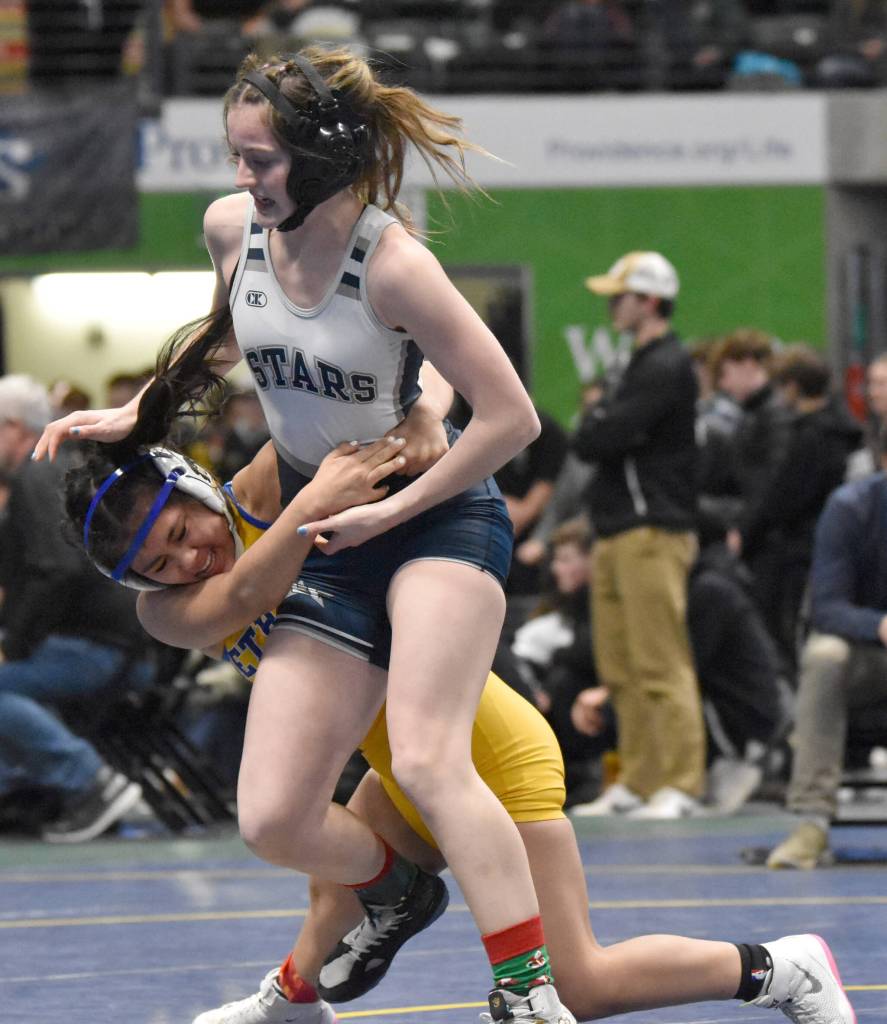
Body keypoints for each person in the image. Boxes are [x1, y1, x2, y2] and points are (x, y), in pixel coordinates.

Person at [37, 45, 571, 1024]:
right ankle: (391, 893)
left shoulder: (394, 261)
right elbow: (235, 329)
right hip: (338, 526)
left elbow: (512, 421)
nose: (242, 177)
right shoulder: (230, 228)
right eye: (236, 156)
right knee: (271, 812)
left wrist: (393, 498)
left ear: (322, 158)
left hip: (436, 515)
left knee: (420, 755)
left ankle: (525, 993)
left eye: (261, 160)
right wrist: (142, 414)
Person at [62, 433, 857, 1024]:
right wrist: (311, 506)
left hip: (484, 754)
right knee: (318, 859)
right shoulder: (170, 612)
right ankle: (296, 1000)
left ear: (195, 485)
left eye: (180, 533)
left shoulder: (266, 482)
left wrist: (429, 408)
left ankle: (779, 969)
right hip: (398, 757)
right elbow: (237, 598)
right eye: (156, 566)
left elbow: (362, 376)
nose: (188, 562)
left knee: (577, 984)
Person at [568, 251, 706, 820]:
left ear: (648, 301)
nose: (611, 306)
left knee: (660, 660)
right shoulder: (635, 363)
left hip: (653, 529)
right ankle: (641, 779)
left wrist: (600, 420)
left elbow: (602, 436)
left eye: (619, 296)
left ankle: (681, 781)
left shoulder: (665, 365)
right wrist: (598, 421)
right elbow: (594, 432)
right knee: (621, 665)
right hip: (618, 530)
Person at [0, 375, 154, 843]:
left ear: (15, 427)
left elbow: (57, 571)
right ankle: (21, 791)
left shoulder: (36, 470)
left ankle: (92, 782)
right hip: (115, 640)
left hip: (101, 647)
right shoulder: (52, 468)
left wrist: (12, 644)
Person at [766, 469, 887, 871]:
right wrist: (878, 625)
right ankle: (812, 820)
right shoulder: (850, 508)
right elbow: (827, 607)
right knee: (824, 656)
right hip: (868, 656)